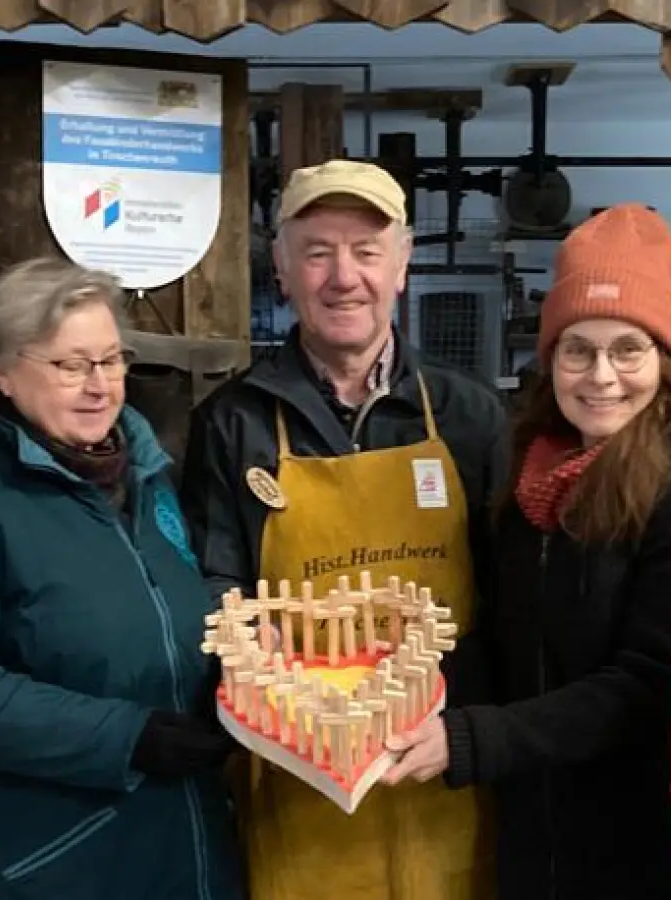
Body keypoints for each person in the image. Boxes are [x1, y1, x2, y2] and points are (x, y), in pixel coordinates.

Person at [380, 204, 671, 900]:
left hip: (642, 849)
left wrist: (470, 740)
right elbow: (504, 639)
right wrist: (397, 687)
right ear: (550, 360)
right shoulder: (534, 475)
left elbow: (649, 687)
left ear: (665, 362)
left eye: (627, 349)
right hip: (534, 836)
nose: (601, 376)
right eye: (578, 348)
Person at [180, 159, 508, 900]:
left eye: (365, 251)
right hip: (298, 765)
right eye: (317, 251)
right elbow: (213, 578)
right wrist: (251, 660)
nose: (343, 276)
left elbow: (507, 593)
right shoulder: (233, 423)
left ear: (402, 264)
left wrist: (468, 731)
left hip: (437, 757)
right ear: (283, 269)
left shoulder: (469, 416)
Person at [0, 258, 241, 900]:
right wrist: (125, 737)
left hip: (176, 837)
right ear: (3, 372)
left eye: (112, 360)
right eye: (71, 366)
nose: (100, 385)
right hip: (49, 855)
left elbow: (157, 608)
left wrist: (230, 666)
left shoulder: (143, 473)